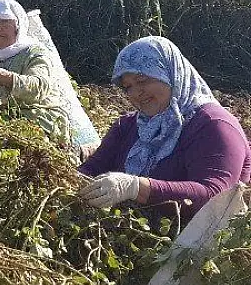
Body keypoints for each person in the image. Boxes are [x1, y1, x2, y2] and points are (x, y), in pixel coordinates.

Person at [79, 36, 251, 218]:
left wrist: (136, 188)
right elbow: (90, 170)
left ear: (170, 72)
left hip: (188, 244)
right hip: (119, 236)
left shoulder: (213, 125)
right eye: (128, 86)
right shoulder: (127, 126)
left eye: (142, 80)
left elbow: (216, 199)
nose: (136, 93)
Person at [0, 0, 70, 142]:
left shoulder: (34, 53)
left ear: (18, 25)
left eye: (5, 22)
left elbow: (39, 86)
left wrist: (2, 77)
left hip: (39, 120)